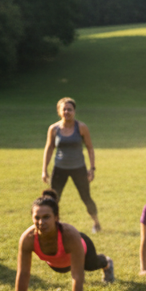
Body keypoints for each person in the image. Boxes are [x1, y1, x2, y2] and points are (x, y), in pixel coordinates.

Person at [14, 194, 114, 291]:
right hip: (58, 263)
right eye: (37, 217)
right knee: (60, 269)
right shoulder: (27, 239)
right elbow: (23, 273)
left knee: (92, 265)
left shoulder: (70, 235)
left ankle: (106, 263)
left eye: (46, 217)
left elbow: (77, 276)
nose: (41, 222)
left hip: (83, 248)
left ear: (56, 217)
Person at [41, 97, 102, 232]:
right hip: (59, 168)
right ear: (59, 111)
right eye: (64, 109)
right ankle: (54, 225)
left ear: (74, 111)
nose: (67, 112)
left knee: (86, 197)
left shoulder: (81, 127)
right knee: (53, 199)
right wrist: (44, 170)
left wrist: (92, 169)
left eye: (70, 109)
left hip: (78, 168)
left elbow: (90, 147)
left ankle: (96, 223)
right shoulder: (54, 129)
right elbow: (49, 148)